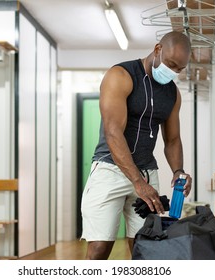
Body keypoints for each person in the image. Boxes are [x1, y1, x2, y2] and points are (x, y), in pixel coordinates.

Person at [80, 31, 193, 260]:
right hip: (110, 170)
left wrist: (178, 171)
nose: (173, 72)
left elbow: (172, 139)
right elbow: (113, 133)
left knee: (145, 247)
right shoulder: (120, 75)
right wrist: (137, 182)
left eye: (179, 69)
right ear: (158, 49)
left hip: (146, 172)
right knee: (99, 249)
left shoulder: (172, 93)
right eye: (170, 64)